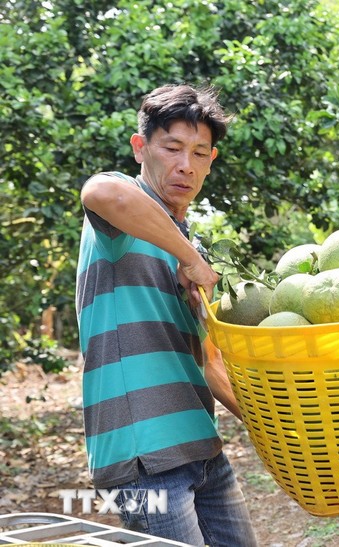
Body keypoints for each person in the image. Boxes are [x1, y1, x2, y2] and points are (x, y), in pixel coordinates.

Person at [75, 84, 257, 546]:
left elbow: (210, 363)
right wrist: (189, 256)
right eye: (172, 148)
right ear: (141, 148)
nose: (185, 165)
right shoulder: (122, 214)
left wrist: (273, 428)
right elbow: (99, 192)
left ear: (211, 160)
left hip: (201, 447)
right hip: (143, 461)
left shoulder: (187, 246)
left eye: (199, 153)